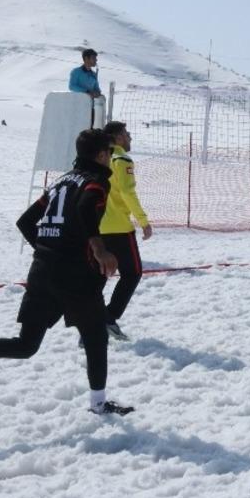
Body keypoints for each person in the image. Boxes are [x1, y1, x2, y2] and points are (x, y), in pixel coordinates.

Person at [0, 129, 133, 415]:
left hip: (42, 271)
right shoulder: (96, 181)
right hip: (74, 277)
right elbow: (86, 209)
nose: (111, 158)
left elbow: (26, 222)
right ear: (100, 155)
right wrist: (98, 249)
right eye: (109, 153)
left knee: (26, 345)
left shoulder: (62, 182)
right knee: (97, 337)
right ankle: (98, 406)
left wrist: (50, 248)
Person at [99, 121, 152, 341]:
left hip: (96, 228)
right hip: (119, 228)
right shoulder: (121, 160)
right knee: (133, 273)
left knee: (98, 277)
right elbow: (129, 194)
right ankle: (107, 318)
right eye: (127, 134)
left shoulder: (98, 159)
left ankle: (91, 324)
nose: (130, 137)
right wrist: (143, 221)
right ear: (118, 138)